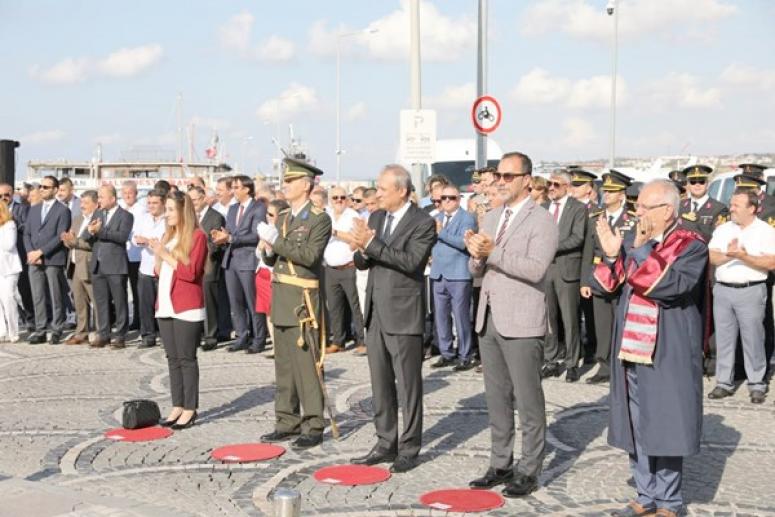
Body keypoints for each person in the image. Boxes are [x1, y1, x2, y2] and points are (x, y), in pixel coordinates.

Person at [590, 179, 707, 517]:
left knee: (665, 420)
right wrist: (613, 253)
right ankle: (645, 494)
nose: (635, 212)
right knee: (637, 420)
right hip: (631, 346)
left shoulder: (691, 244)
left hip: (667, 347)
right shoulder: (632, 240)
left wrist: (637, 250)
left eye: (642, 207)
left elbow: (668, 285)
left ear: (667, 211)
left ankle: (669, 500)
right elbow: (610, 284)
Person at [464, 152, 558, 498]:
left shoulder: (542, 220)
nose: (500, 182)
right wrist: (475, 254)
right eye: (498, 176)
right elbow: (478, 271)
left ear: (526, 180)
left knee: (528, 400)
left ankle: (529, 469)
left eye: (507, 176)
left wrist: (492, 252)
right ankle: (500, 462)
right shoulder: (490, 217)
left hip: (522, 320)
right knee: (497, 398)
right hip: (489, 316)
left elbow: (535, 270)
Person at [345, 164, 436, 474]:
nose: (378, 194)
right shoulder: (376, 217)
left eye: (383, 189)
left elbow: (411, 262)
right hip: (376, 312)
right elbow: (361, 262)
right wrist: (361, 247)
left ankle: (410, 447)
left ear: (402, 190)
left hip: (404, 313)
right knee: (380, 384)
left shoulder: (422, 222)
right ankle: (386, 442)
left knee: (408, 385)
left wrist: (371, 245)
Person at [258, 158, 332, 450]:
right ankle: (286, 420)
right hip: (282, 296)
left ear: (305, 184)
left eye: (289, 182)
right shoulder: (286, 216)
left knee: (307, 364)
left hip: (303, 300)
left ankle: (313, 423)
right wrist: (266, 248)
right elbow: (277, 258)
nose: (284, 186)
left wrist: (276, 241)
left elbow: (309, 256)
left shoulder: (318, 218)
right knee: (285, 366)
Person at [707, 189, 775, 404]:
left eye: (736, 205)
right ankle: (723, 382)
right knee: (724, 339)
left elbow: (771, 263)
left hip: (751, 290)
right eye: (732, 204)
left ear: (752, 208)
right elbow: (713, 257)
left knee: (753, 338)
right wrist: (730, 255)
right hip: (724, 290)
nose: (731, 208)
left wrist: (744, 257)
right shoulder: (724, 229)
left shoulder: (765, 231)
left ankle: (756, 383)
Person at [153, 191, 208, 431]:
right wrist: (159, 252)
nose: (167, 214)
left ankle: (190, 408)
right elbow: (159, 271)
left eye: (171, 209)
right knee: (172, 359)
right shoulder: (170, 235)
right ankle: (177, 404)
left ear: (183, 211)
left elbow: (190, 273)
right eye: (167, 209)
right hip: (165, 303)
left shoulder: (197, 237)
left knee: (186, 359)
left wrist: (165, 253)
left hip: (186, 306)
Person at [580, 171, 637, 384]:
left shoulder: (632, 218)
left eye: (612, 191)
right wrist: (585, 280)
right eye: (605, 190)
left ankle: (623, 364)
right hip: (599, 278)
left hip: (623, 280)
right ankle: (604, 365)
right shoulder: (596, 216)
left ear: (622, 194)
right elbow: (588, 250)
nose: (607, 194)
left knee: (622, 321)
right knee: (603, 325)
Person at [211, 175, 268, 353]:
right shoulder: (234, 208)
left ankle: (258, 338)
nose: (233, 190)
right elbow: (229, 229)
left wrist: (230, 238)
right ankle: (241, 336)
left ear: (246, 189)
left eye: (236, 187)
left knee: (252, 302)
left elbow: (256, 235)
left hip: (248, 260)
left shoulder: (258, 207)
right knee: (235, 303)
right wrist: (221, 236)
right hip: (231, 260)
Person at [541, 169, 587, 382]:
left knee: (570, 320)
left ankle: (572, 363)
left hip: (567, 270)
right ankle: (550, 360)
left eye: (556, 184)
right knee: (548, 319)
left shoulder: (578, 208)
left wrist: (551, 247)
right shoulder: (542, 208)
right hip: (545, 270)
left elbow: (577, 238)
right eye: (549, 184)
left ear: (567, 187)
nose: (551, 188)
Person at [429, 184, 478, 371]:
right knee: (440, 317)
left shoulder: (467, 219)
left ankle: (465, 354)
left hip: (458, 274)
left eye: (451, 198)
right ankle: (446, 352)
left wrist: (441, 232)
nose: (447, 201)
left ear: (459, 199)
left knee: (461, 317)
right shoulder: (436, 217)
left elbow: (464, 243)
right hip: (438, 272)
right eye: (443, 198)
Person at [23, 175, 72, 344]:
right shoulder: (34, 209)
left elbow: (60, 236)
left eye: (46, 187)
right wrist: (31, 252)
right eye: (41, 187)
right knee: (38, 296)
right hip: (33, 260)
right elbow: (27, 233)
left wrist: (41, 252)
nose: (42, 189)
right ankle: (40, 329)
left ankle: (57, 328)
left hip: (53, 259)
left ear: (55, 190)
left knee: (55, 295)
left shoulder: (63, 210)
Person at [86, 185, 134, 349]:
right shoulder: (98, 213)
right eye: (98, 197)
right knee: (101, 302)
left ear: (112, 199)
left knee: (120, 301)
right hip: (98, 264)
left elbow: (122, 237)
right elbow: (89, 236)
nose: (98, 200)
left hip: (115, 264)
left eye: (101, 197)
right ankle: (103, 333)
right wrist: (91, 231)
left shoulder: (126, 215)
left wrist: (100, 232)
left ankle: (120, 334)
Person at [323, 186, 365, 354]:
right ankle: (338, 341)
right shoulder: (326, 215)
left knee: (355, 306)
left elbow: (356, 239)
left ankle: (362, 340)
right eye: (335, 198)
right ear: (330, 200)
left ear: (347, 199)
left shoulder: (353, 216)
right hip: (331, 267)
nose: (339, 201)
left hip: (349, 267)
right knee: (334, 307)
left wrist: (335, 232)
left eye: (342, 197)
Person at [188, 186, 227, 351]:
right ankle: (196, 334)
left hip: (209, 264)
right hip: (191, 264)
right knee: (194, 300)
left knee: (209, 301)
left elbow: (216, 243)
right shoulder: (189, 217)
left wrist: (199, 249)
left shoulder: (215, 217)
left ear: (204, 198)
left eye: (195, 200)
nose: (193, 204)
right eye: (190, 201)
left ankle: (210, 335)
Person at [61, 190, 99, 345]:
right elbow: (71, 240)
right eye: (81, 203)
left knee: (96, 301)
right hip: (75, 265)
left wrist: (73, 241)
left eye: (85, 203)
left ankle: (98, 332)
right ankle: (81, 332)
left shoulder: (97, 220)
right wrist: (67, 240)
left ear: (95, 204)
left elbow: (92, 244)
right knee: (79, 300)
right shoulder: (77, 219)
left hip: (89, 265)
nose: (82, 205)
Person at [132, 189, 167, 348]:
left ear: (163, 203)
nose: (151, 206)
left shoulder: (168, 220)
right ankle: (147, 336)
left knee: (164, 305)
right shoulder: (144, 218)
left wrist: (150, 241)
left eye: (155, 203)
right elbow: (134, 237)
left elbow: (165, 242)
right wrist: (139, 240)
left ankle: (165, 336)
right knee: (145, 305)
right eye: (149, 203)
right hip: (145, 267)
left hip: (163, 267)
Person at [1, 182, 33, 330]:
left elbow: (27, 227)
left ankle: (30, 319)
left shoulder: (22, 209)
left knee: (23, 290)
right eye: (0, 195)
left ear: (12, 194)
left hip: (19, 255)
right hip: (2, 260)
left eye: (6, 195)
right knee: (7, 294)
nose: (3, 198)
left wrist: (12, 221)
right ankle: (14, 320)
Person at [677, 165, 728, 241]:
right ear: (688, 185)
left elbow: (718, 237)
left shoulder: (719, 209)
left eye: (701, 181)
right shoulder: (679, 206)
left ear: (707, 183)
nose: (697, 185)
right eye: (693, 181)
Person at [120, 180, 145, 331]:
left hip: (136, 255)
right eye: (125, 193)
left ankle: (138, 319)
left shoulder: (141, 210)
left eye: (130, 193)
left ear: (136, 194)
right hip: (122, 254)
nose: (128, 195)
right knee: (123, 289)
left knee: (137, 291)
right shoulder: (120, 208)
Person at [0, 201, 22, 342]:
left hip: (10, 268)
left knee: (8, 298)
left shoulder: (10, 225)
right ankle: (2, 331)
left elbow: (9, 245)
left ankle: (13, 331)